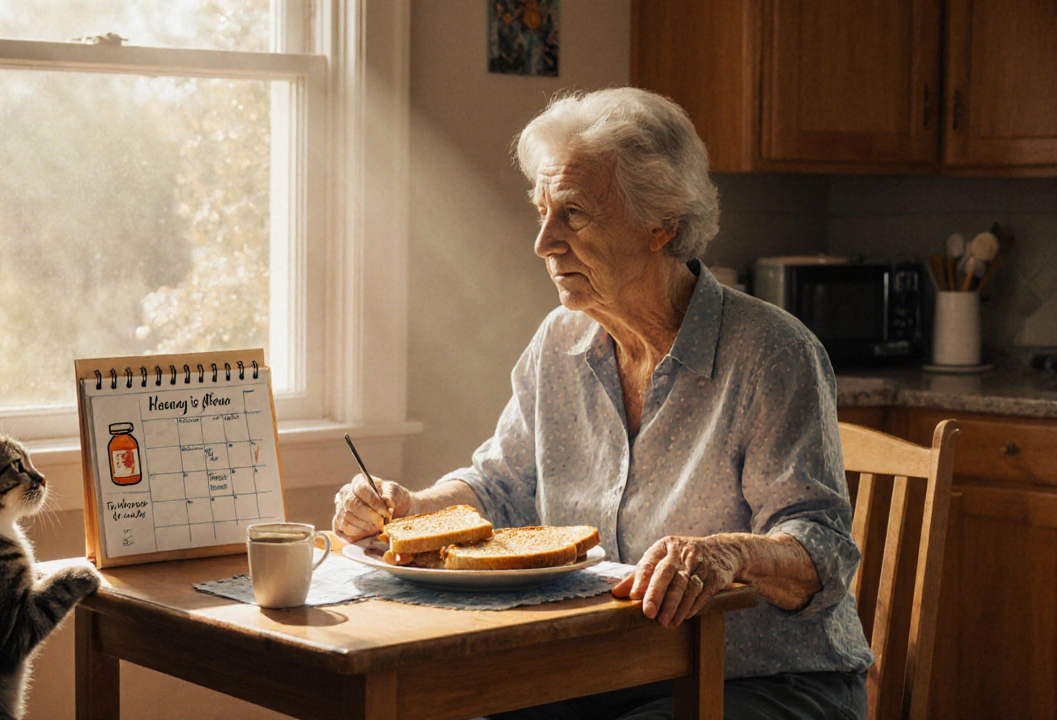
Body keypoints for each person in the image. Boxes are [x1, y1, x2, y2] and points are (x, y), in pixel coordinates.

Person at [333, 87, 872, 719]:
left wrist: (728, 554)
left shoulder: (770, 354)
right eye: (541, 211)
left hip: (766, 680)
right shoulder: (558, 344)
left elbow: (820, 548)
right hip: (604, 670)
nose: (544, 242)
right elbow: (501, 485)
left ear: (661, 223)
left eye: (575, 215)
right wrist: (410, 508)